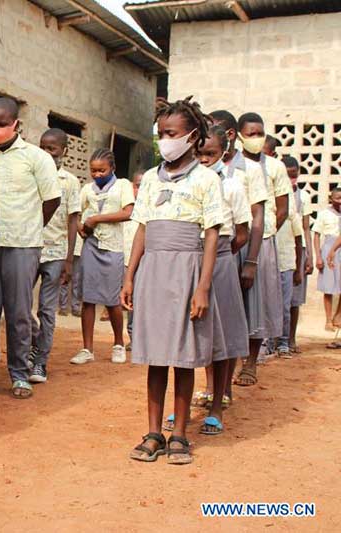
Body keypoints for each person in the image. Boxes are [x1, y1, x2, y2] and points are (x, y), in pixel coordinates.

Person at [123, 96, 224, 465]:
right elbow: (142, 228)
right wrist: (130, 275)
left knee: (183, 357)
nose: (164, 140)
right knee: (155, 358)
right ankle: (153, 433)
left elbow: (212, 234)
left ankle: (179, 433)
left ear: (192, 135)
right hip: (154, 271)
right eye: (161, 133)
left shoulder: (207, 179)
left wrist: (203, 287)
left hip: (187, 272)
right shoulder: (150, 178)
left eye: (171, 133)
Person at [0, 97, 61, 399]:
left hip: (22, 245)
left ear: (16, 124)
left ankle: (19, 374)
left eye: (2, 124)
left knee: (18, 312)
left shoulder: (36, 158)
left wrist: (30, 227)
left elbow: (52, 199)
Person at [189, 125, 250, 436]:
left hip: (222, 257)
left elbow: (242, 231)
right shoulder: (189, 182)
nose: (203, 159)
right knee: (194, 332)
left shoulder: (233, 186)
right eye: (199, 153)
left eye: (210, 154)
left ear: (223, 153)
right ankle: (196, 395)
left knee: (224, 334)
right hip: (191, 257)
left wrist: (224, 256)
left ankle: (217, 404)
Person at [208, 110, 267, 396]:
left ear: (228, 136)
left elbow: (257, 217)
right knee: (214, 319)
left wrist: (250, 260)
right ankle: (213, 386)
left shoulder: (250, 170)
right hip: (217, 251)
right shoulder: (201, 169)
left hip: (240, 248)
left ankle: (244, 368)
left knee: (238, 315)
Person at [232, 112, 291, 387]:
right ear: (239, 135)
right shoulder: (230, 163)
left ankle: (251, 362)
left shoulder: (276, 167)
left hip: (261, 240)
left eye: (260, 133)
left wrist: (262, 240)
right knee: (232, 303)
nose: (256, 138)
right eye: (251, 133)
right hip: (232, 239)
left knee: (256, 304)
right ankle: (229, 359)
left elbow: (281, 210)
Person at [70, 148, 134, 365]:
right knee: (88, 299)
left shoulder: (123, 185)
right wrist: (81, 226)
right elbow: (75, 213)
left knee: (112, 299)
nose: (97, 175)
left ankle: (118, 343)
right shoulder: (87, 189)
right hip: (91, 246)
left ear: (112, 168)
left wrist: (96, 219)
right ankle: (87, 349)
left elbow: (128, 213)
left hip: (112, 248)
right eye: (93, 171)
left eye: (102, 170)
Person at [28, 128, 81, 383]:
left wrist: (69, 260)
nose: (47, 153)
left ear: (64, 151)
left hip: (55, 253)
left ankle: (40, 362)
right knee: (19, 306)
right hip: (27, 248)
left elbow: (73, 220)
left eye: (53, 148)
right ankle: (32, 344)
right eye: (43, 147)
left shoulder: (70, 182)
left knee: (47, 310)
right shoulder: (30, 175)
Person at [274, 157, 304, 358]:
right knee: (268, 305)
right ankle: (268, 342)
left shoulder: (292, 206)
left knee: (285, 305)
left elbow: (299, 237)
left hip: (286, 261)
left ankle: (284, 342)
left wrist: (300, 267)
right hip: (267, 261)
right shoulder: (267, 202)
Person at [286, 156, 313, 352]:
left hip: (299, 248)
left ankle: (291, 339)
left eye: (294, 176)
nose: (291, 180)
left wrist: (309, 255)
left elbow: (305, 228)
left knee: (295, 299)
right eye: (288, 176)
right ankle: (275, 340)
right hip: (281, 246)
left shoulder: (303, 197)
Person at [313, 188, 341, 334]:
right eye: (337, 198)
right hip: (329, 248)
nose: (340, 201)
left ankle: (338, 316)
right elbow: (316, 235)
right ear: (331, 199)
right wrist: (318, 256)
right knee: (328, 287)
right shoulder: (324, 214)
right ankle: (328, 320)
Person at [123, 171, 144, 351]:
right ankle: (132, 336)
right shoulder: (125, 210)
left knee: (142, 300)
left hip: (144, 263)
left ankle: (141, 337)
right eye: (138, 185)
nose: (140, 190)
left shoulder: (152, 209)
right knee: (130, 300)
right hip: (124, 261)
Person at [59, 237, 84, 317]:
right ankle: (63, 307)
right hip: (65, 248)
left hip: (79, 249)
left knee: (77, 280)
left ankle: (75, 307)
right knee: (64, 278)